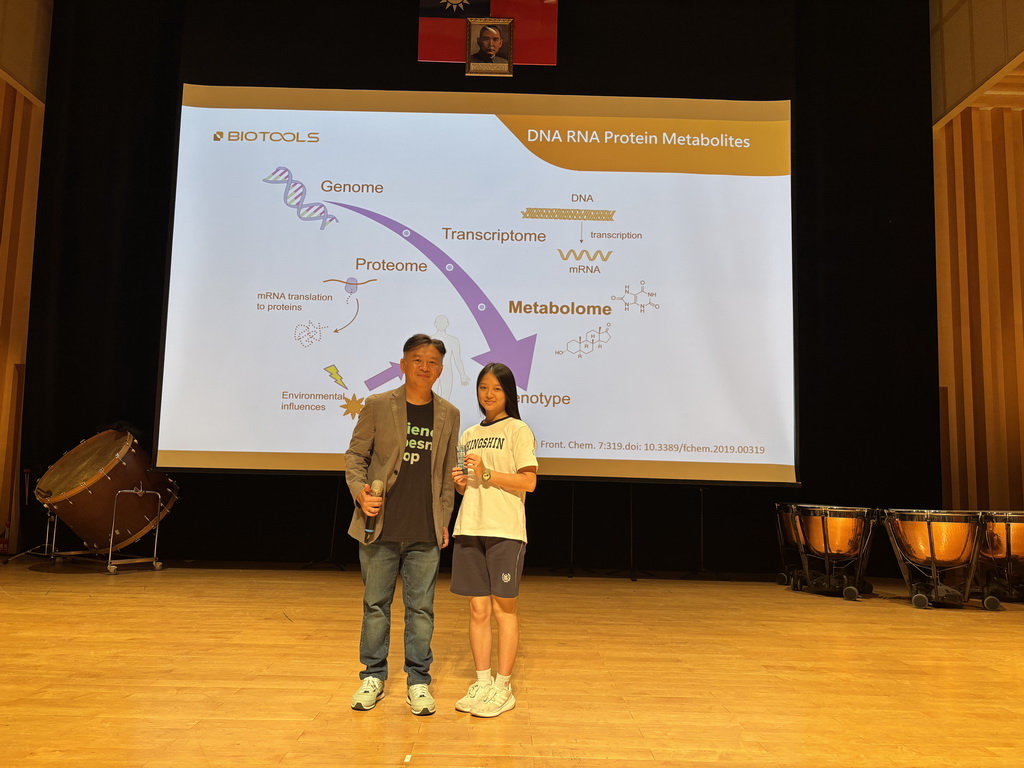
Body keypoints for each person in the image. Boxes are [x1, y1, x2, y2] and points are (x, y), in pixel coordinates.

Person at [345, 333, 460, 716]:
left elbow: (447, 476)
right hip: (379, 526)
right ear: (403, 364)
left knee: (421, 610)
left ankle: (418, 680)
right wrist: (360, 493)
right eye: (418, 360)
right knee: (375, 606)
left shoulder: (449, 413)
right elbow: (355, 456)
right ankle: (373, 676)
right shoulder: (379, 404)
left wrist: (444, 520)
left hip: (425, 528)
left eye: (432, 362)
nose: (425, 367)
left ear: (440, 370)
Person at [449, 362, 537, 718]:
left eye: (497, 389)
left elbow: (529, 482)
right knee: (477, 609)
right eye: (484, 387)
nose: (489, 394)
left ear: (508, 394)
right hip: (470, 526)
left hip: (505, 530)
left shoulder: (518, 429)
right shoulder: (468, 434)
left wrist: (487, 473)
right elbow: (468, 487)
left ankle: (503, 686)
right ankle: (482, 682)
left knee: (504, 609)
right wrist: (461, 482)